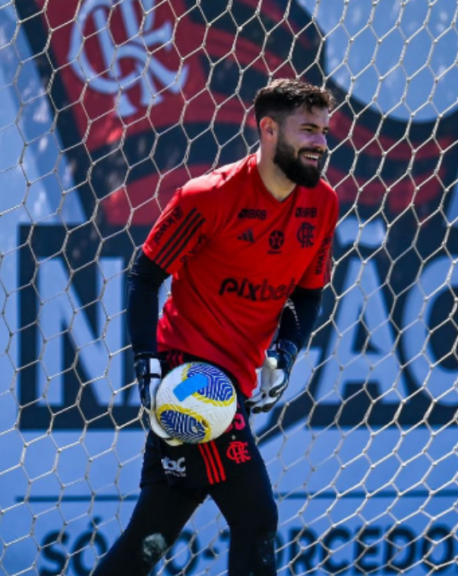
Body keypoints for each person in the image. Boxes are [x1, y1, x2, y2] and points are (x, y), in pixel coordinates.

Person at [92, 79, 338, 576]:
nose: (319, 143)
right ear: (267, 129)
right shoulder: (207, 196)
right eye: (307, 129)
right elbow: (145, 278)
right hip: (193, 381)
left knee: (153, 533)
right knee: (257, 518)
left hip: (238, 387)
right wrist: (149, 368)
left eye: (324, 132)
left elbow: (308, 295)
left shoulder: (323, 204)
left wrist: (284, 355)